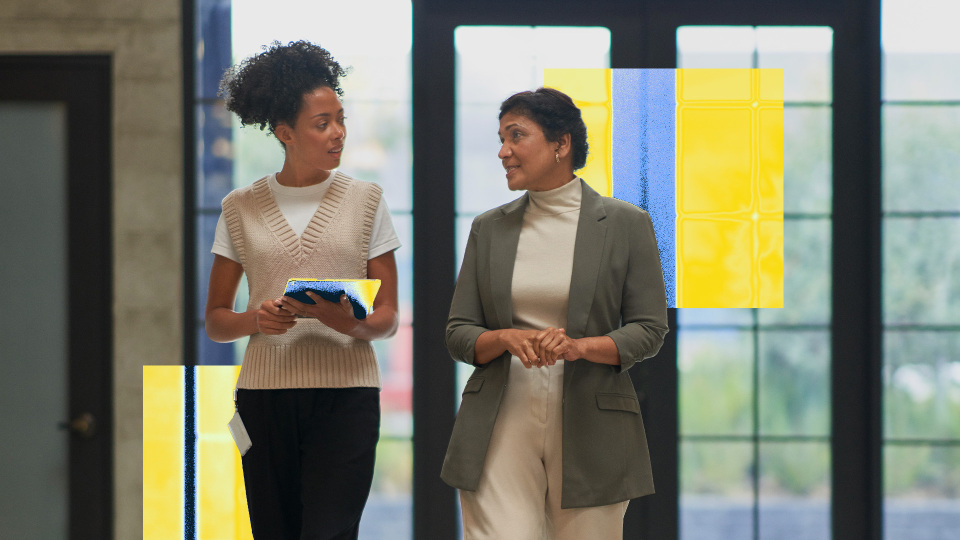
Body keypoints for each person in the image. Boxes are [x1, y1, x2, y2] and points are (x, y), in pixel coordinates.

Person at [442, 87, 669, 539]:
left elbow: (649, 328)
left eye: (516, 136)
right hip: (499, 422)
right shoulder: (489, 227)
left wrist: (580, 346)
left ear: (561, 144)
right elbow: (458, 331)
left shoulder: (627, 223)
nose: (503, 151)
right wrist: (505, 338)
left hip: (593, 423)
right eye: (501, 138)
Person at [205, 40, 400, 540]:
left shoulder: (367, 200)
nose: (338, 133)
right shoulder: (239, 207)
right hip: (264, 399)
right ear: (285, 133)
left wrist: (349, 322)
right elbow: (216, 319)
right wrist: (257, 320)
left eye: (340, 119)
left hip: (347, 399)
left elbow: (388, 316)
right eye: (322, 124)